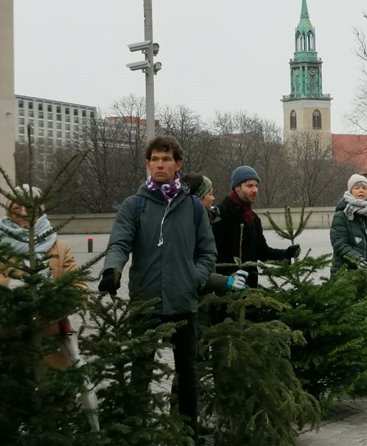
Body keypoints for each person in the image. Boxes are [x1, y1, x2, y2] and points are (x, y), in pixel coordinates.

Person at [98, 136, 217, 441]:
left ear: (178, 165)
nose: (160, 164)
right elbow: (120, 242)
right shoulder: (134, 205)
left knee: (188, 373)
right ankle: (137, 430)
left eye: (166, 159)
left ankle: (187, 432)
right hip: (146, 302)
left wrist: (195, 277)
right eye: (154, 159)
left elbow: (207, 252)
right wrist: (112, 270)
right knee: (141, 372)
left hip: (184, 302)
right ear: (147, 163)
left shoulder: (192, 207)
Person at [0, 185, 85, 370]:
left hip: (52, 339)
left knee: (55, 392)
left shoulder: (59, 247)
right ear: (9, 212)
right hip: (9, 341)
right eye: (17, 208)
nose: (23, 213)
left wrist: (58, 302)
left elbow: (78, 286)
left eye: (29, 208)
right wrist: (13, 286)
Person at [212, 166, 300, 289]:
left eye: (256, 186)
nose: (255, 190)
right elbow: (213, 255)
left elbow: (262, 252)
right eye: (249, 186)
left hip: (251, 291)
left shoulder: (253, 219)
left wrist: (285, 254)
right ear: (237, 187)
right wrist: (229, 276)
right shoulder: (220, 214)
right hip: (226, 291)